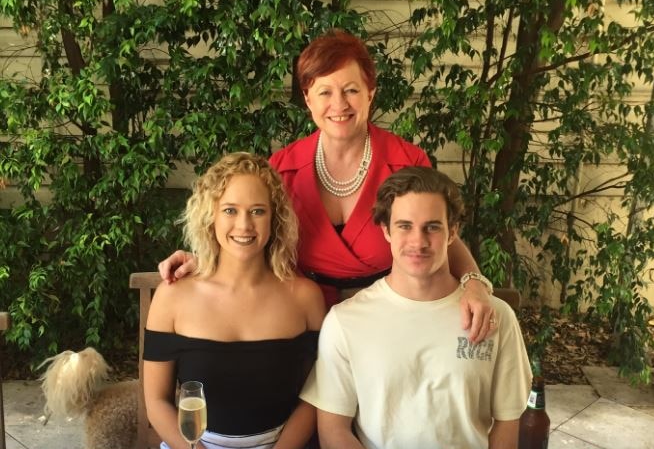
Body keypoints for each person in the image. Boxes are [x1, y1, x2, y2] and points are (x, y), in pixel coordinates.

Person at [158, 29, 495, 343]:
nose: (339, 104)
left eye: (351, 90)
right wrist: (204, 260)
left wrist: (475, 283)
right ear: (308, 99)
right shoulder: (281, 169)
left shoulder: (406, 161)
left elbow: (438, 236)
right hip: (302, 325)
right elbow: (252, 236)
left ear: (370, 93)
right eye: (325, 92)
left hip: (390, 323)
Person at [300, 166, 532, 449]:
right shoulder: (345, 321)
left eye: (432, 227)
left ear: (452, 232)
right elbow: (334, 431)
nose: (418, 242)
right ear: (386, 230)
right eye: (404, 226)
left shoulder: (495, 317)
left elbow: (507, 423)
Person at [144, 153, 325, 449]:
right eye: (230, 210)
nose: (244, 225)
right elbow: (156, 401)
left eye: (257, 211)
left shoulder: (305, 298)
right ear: (210, 215)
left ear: (274, 217)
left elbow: (314, 395)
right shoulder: (173, 295)